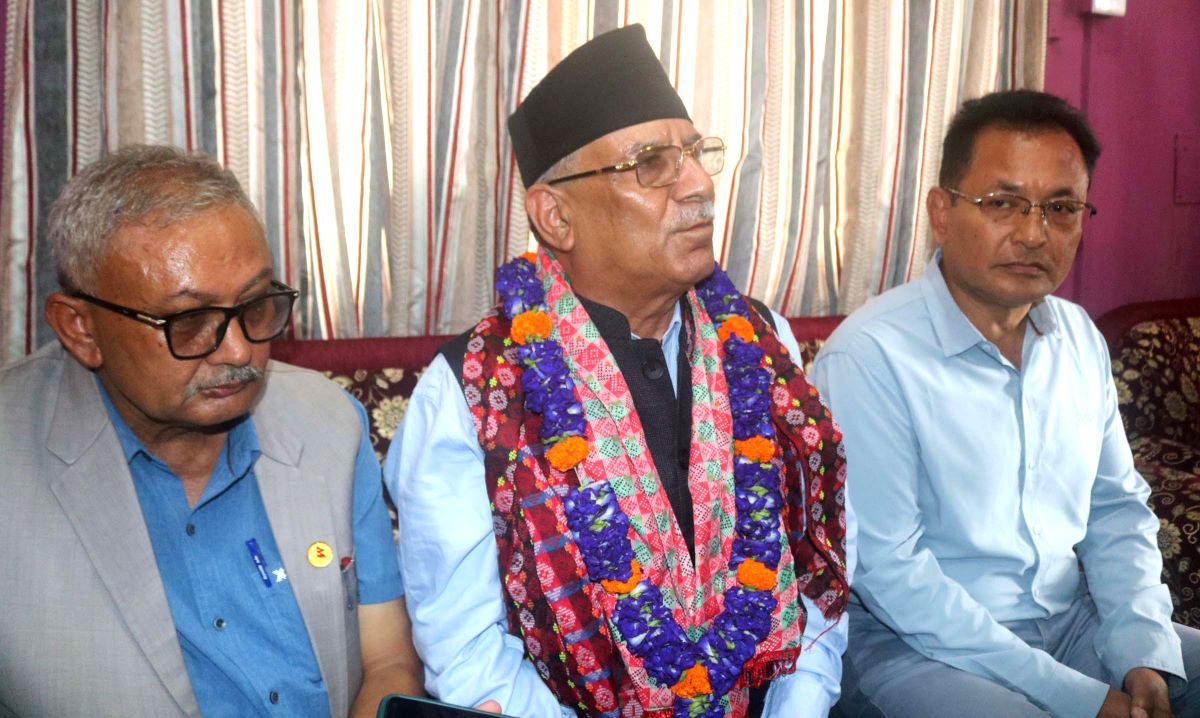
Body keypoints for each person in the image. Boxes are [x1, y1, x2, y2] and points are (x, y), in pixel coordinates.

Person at [385, 25, 852, 718]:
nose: (699, 185)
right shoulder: (471, 390)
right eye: (651, 163)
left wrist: (797, 709)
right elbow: (468, 656)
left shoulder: (761, 341)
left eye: (695, 153)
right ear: (555, 216)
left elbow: (820, 568)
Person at [810, 89, 1200, 718]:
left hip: (1072, 625)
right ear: (941, 213)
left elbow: (1114, 510)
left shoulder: (1079, 338)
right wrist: (1077, 697)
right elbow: (892, 574)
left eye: (1061, 208)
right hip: (918, 652)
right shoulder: (870, 359)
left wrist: (1142, 654)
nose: (1033, 233)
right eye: (1001, 203)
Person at [0, 145, 423, 717]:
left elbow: (388, 662)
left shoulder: (328, 423)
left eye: (256, 305)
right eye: (189, 321)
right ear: (81, 329)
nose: (240, 351)